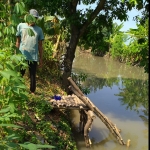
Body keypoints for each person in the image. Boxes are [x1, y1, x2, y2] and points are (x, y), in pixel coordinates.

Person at [16, 9, 44, 94]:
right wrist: (16, 54)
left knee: (32, 75)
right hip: (22, 55)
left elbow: (40, 45)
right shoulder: (21, 26)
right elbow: (17, 41)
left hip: (33, 57)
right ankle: (18, 89)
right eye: (33, 17)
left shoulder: (39, 30)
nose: (34, 19)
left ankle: (32, 91)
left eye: (36, 18)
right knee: (20, 73)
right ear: (28, 17)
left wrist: (41, 59)